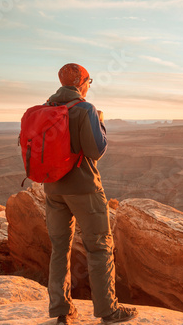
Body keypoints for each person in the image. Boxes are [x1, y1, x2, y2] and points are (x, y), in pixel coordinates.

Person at [44, 63, 137, 325]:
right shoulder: (86, 109)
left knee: (60, 249)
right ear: (81, 83)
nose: (88, 85)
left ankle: (61, 312)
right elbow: (96, 150)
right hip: (84, 189)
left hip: (53, 189)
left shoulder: (48, 107)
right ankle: (108, 311)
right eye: (89, 81)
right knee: (99, 249)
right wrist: (101, 124)